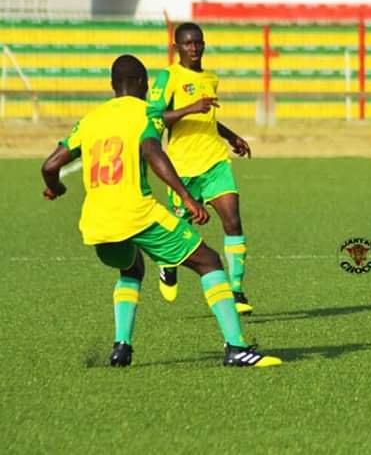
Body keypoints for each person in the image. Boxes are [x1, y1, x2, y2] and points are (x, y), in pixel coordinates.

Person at [41, 54, 281, 368]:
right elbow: (154, 153)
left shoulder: (90, 120)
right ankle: (236, 348)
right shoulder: (146, 113)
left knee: (132, 269)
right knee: (208, 261)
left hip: (96, 223)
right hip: (137, 214)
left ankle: (121, 348)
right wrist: (187, 198)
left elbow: (50, 166)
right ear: (143, 84)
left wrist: (56, 188)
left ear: (112, 85)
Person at [147, 22, 253, 314]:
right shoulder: (168, 77)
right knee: (181, 230)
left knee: (233, 221)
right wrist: (189, 108)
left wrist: (231, 136)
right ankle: (168, 263)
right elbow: (154, 117)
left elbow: (207, 119)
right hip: (182, 167)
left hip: (215, 162)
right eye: (188, 43)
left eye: (198, 42)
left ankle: (236, 292)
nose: (194, 48)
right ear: (176, 47)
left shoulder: (210, 78)